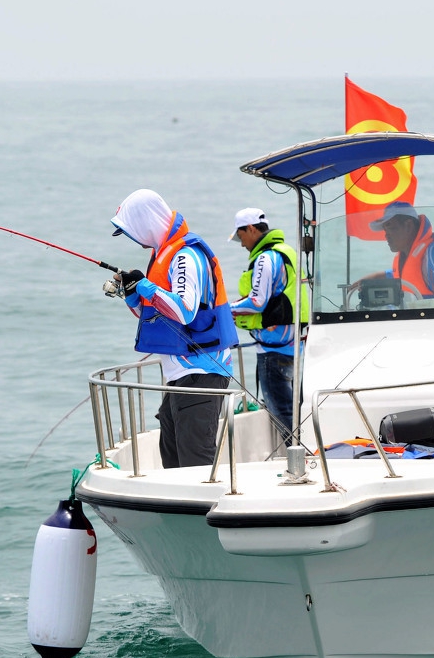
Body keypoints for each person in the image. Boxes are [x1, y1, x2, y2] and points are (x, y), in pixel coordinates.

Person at [109, 189, 238, 468]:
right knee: (172, 458)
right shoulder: (163, 255)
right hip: (180, 375)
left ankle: (203, 508)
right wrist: (131, 294)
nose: (135, 240)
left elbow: (184, 311)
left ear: (146, 223)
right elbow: (155, 315)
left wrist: (143, 284)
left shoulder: (185, 257)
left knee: (194, 462)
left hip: (200, 373)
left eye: (133, 232)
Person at [228, 208, 310, 441]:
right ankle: (301, 456)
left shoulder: (265, 258)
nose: (241, 243)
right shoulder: (286, 252)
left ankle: (299, 460)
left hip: (274, 348)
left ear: (251, 229)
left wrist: (224, 311)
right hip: (291, 344)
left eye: (240, 236)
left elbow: (257, 301)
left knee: (281, 411)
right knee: (291, 408)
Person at [358, 201, 434, 300]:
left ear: (409, 226)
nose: (386, 236)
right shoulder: (404, 255)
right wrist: (373, 278)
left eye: (391, 228)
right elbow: (403, 274)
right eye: (385, 230)